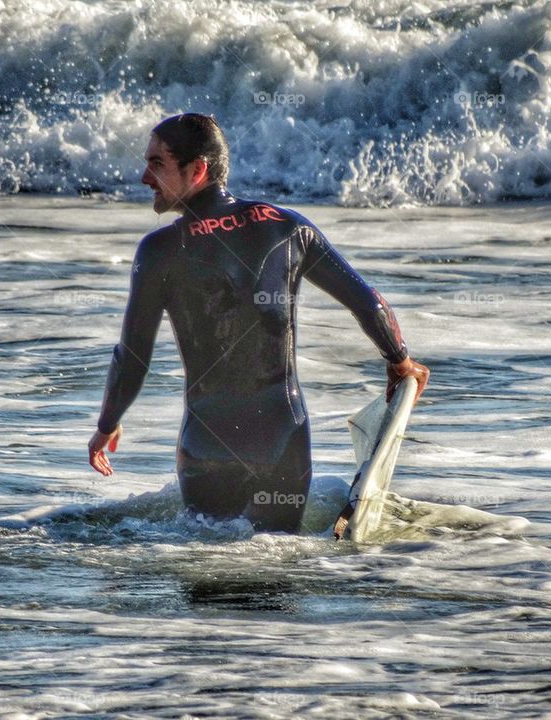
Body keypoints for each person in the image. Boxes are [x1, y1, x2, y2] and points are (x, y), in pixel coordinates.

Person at [88, 113, 429, 532]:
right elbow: (366, 301)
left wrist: (107, 424)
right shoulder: (287, 227)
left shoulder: (159, 251)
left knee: (207, 574)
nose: (144, 176)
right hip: (282, 446)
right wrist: (400, 361)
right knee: (275, 575)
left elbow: (133, 356)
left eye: (157, 163)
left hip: (205, 450)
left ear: (198, 170)